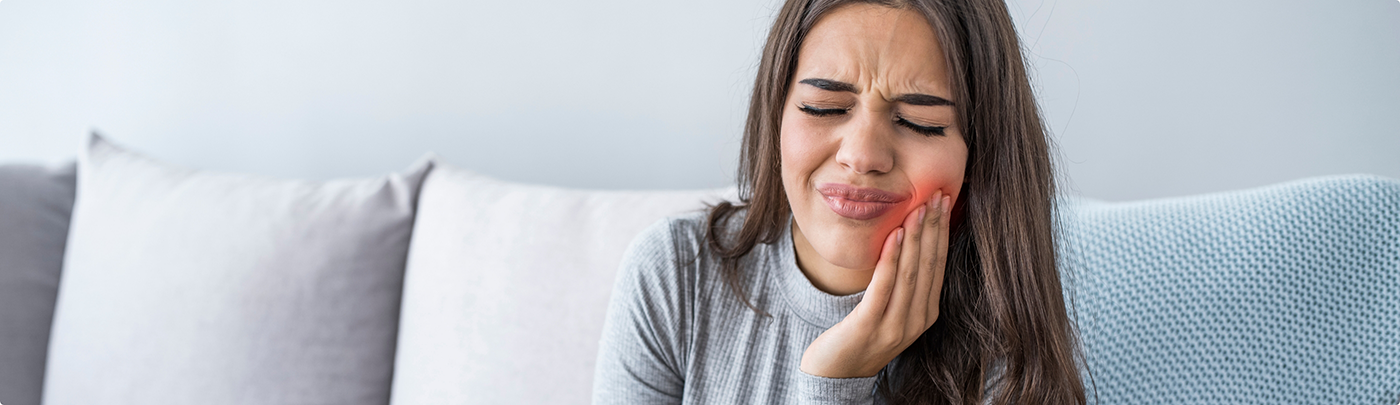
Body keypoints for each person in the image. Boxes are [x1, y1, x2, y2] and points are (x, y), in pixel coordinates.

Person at [593, 0, 1089, 403]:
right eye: (823, 107)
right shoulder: (674, 274)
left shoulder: (1005, 341)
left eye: (919, 121)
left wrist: (833, 385)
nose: (862, 157)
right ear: (778, 115)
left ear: (979, 154)